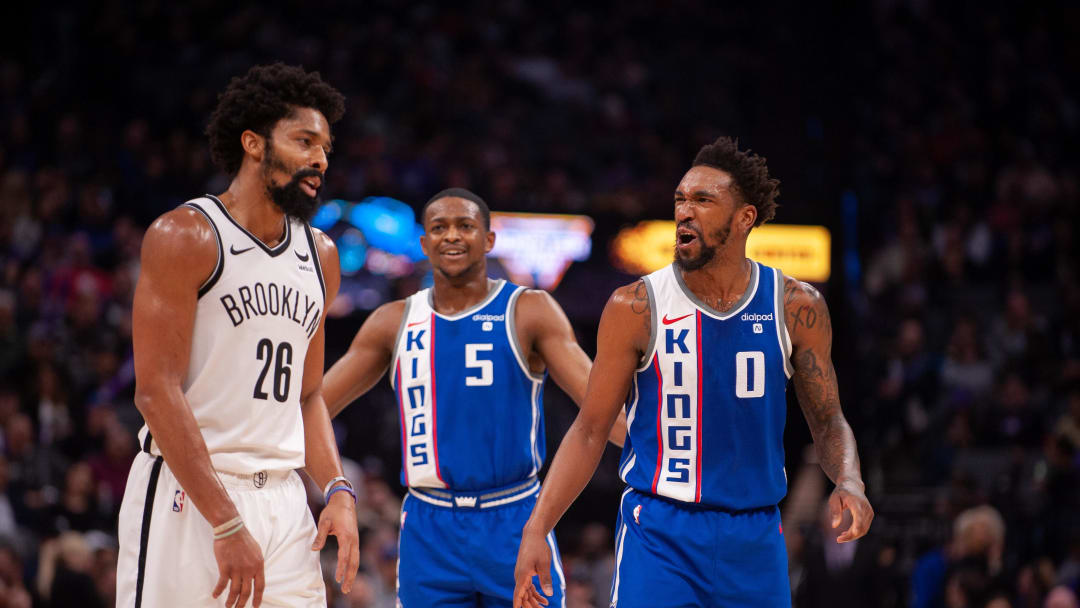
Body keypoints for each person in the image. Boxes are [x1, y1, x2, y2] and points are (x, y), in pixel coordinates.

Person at [514, 137, 874, 608]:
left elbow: (828, 420)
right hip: (660, 532)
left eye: (703, 200)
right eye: (681, 199)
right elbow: (589, 429)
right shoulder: (635, 306)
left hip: (756, 534)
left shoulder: (795, 305)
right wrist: (537, 528)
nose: (685, 211)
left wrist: (850, 479)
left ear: (745, 218)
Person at [116, 63, 360, 608]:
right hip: (192, 498)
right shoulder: (186, 236)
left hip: (284, 502)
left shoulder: (320, 256)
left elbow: (309, 393)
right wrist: (225, 523)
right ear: (253, 143)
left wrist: (338, 489)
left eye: (326, 148)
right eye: (304, 142)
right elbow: (156, 390)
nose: (320, 159)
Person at [322, 187, 626, 607]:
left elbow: (604, 411)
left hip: (515, 516)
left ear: (489, 239)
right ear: (424, 243)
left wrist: (662, 452)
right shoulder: (392, 321)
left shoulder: (529, 310)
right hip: (428, 524)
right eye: (439, 227)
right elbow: (314, 408)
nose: (451, 236)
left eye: (465, 225)